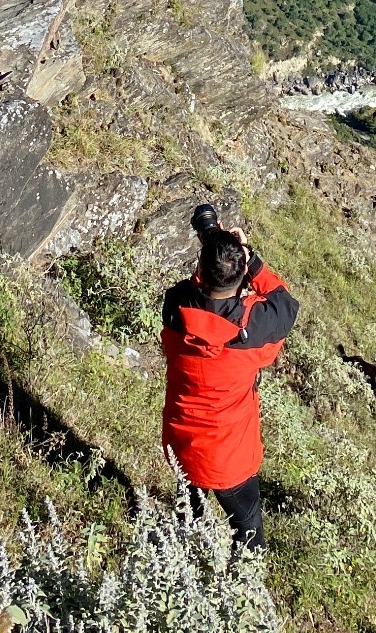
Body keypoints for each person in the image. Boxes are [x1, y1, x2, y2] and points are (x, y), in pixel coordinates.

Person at [161, 208, 298, 552]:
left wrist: (216, 248)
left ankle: (181, 558)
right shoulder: (251, 334)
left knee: (187, 511)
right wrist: (250, 263)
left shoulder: (176, 310)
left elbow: (194, 289)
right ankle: (242, 587)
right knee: (247, 526)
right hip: (229, 459)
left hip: (182, 445)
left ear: (200, 270)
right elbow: (285, 305)